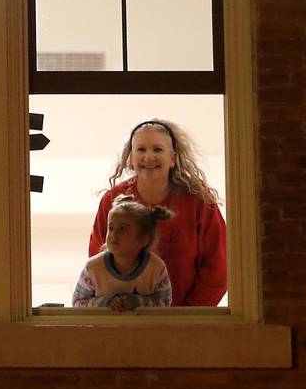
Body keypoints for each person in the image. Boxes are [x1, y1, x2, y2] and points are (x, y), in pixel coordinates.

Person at [88, 119, 227, 307]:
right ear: (130, 159)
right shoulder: (111, 200)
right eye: (141, 149)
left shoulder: (199, 202)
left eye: (157, 149)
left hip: (185, 323)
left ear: (173, 159)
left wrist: (187, 317)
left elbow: (218, 268)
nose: (148, 156)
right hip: (125, 321)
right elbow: (97, 264)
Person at [73, 195, 173, 310]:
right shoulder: (93, 268)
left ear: (143, 239)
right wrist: (104, 302)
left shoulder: (156, 268)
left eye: (122, 229)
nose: (113, 235)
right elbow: (78, 302)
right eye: (111, 228)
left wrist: (139, 302)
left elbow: (164, 303)